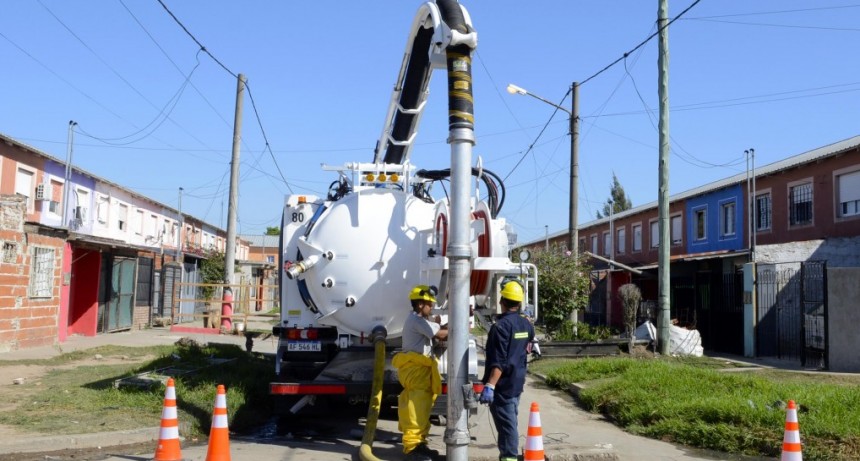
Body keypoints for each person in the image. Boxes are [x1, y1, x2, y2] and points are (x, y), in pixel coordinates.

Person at [478, 280, 535, 461]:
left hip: (502, 386)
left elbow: (499, 362)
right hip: (516, 383)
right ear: (519, 303)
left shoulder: (500, 327)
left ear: (502, 301)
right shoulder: (526, 324)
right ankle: (506, 456)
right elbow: (530, 343)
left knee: (508, 426)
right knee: (509, 422)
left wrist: (490, 385)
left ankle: (509, 457)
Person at [392, 284, 448, 460]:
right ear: (419, 304)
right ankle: (412, 449)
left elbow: (436, 328)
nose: (431, 307)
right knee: (416, 410)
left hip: (419, 371)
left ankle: (420, 444)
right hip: (416, 372)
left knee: (422, 409)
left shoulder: (418, 320)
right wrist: (457, 327)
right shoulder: (417, 321)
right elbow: (439, 335)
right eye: (429, 304)